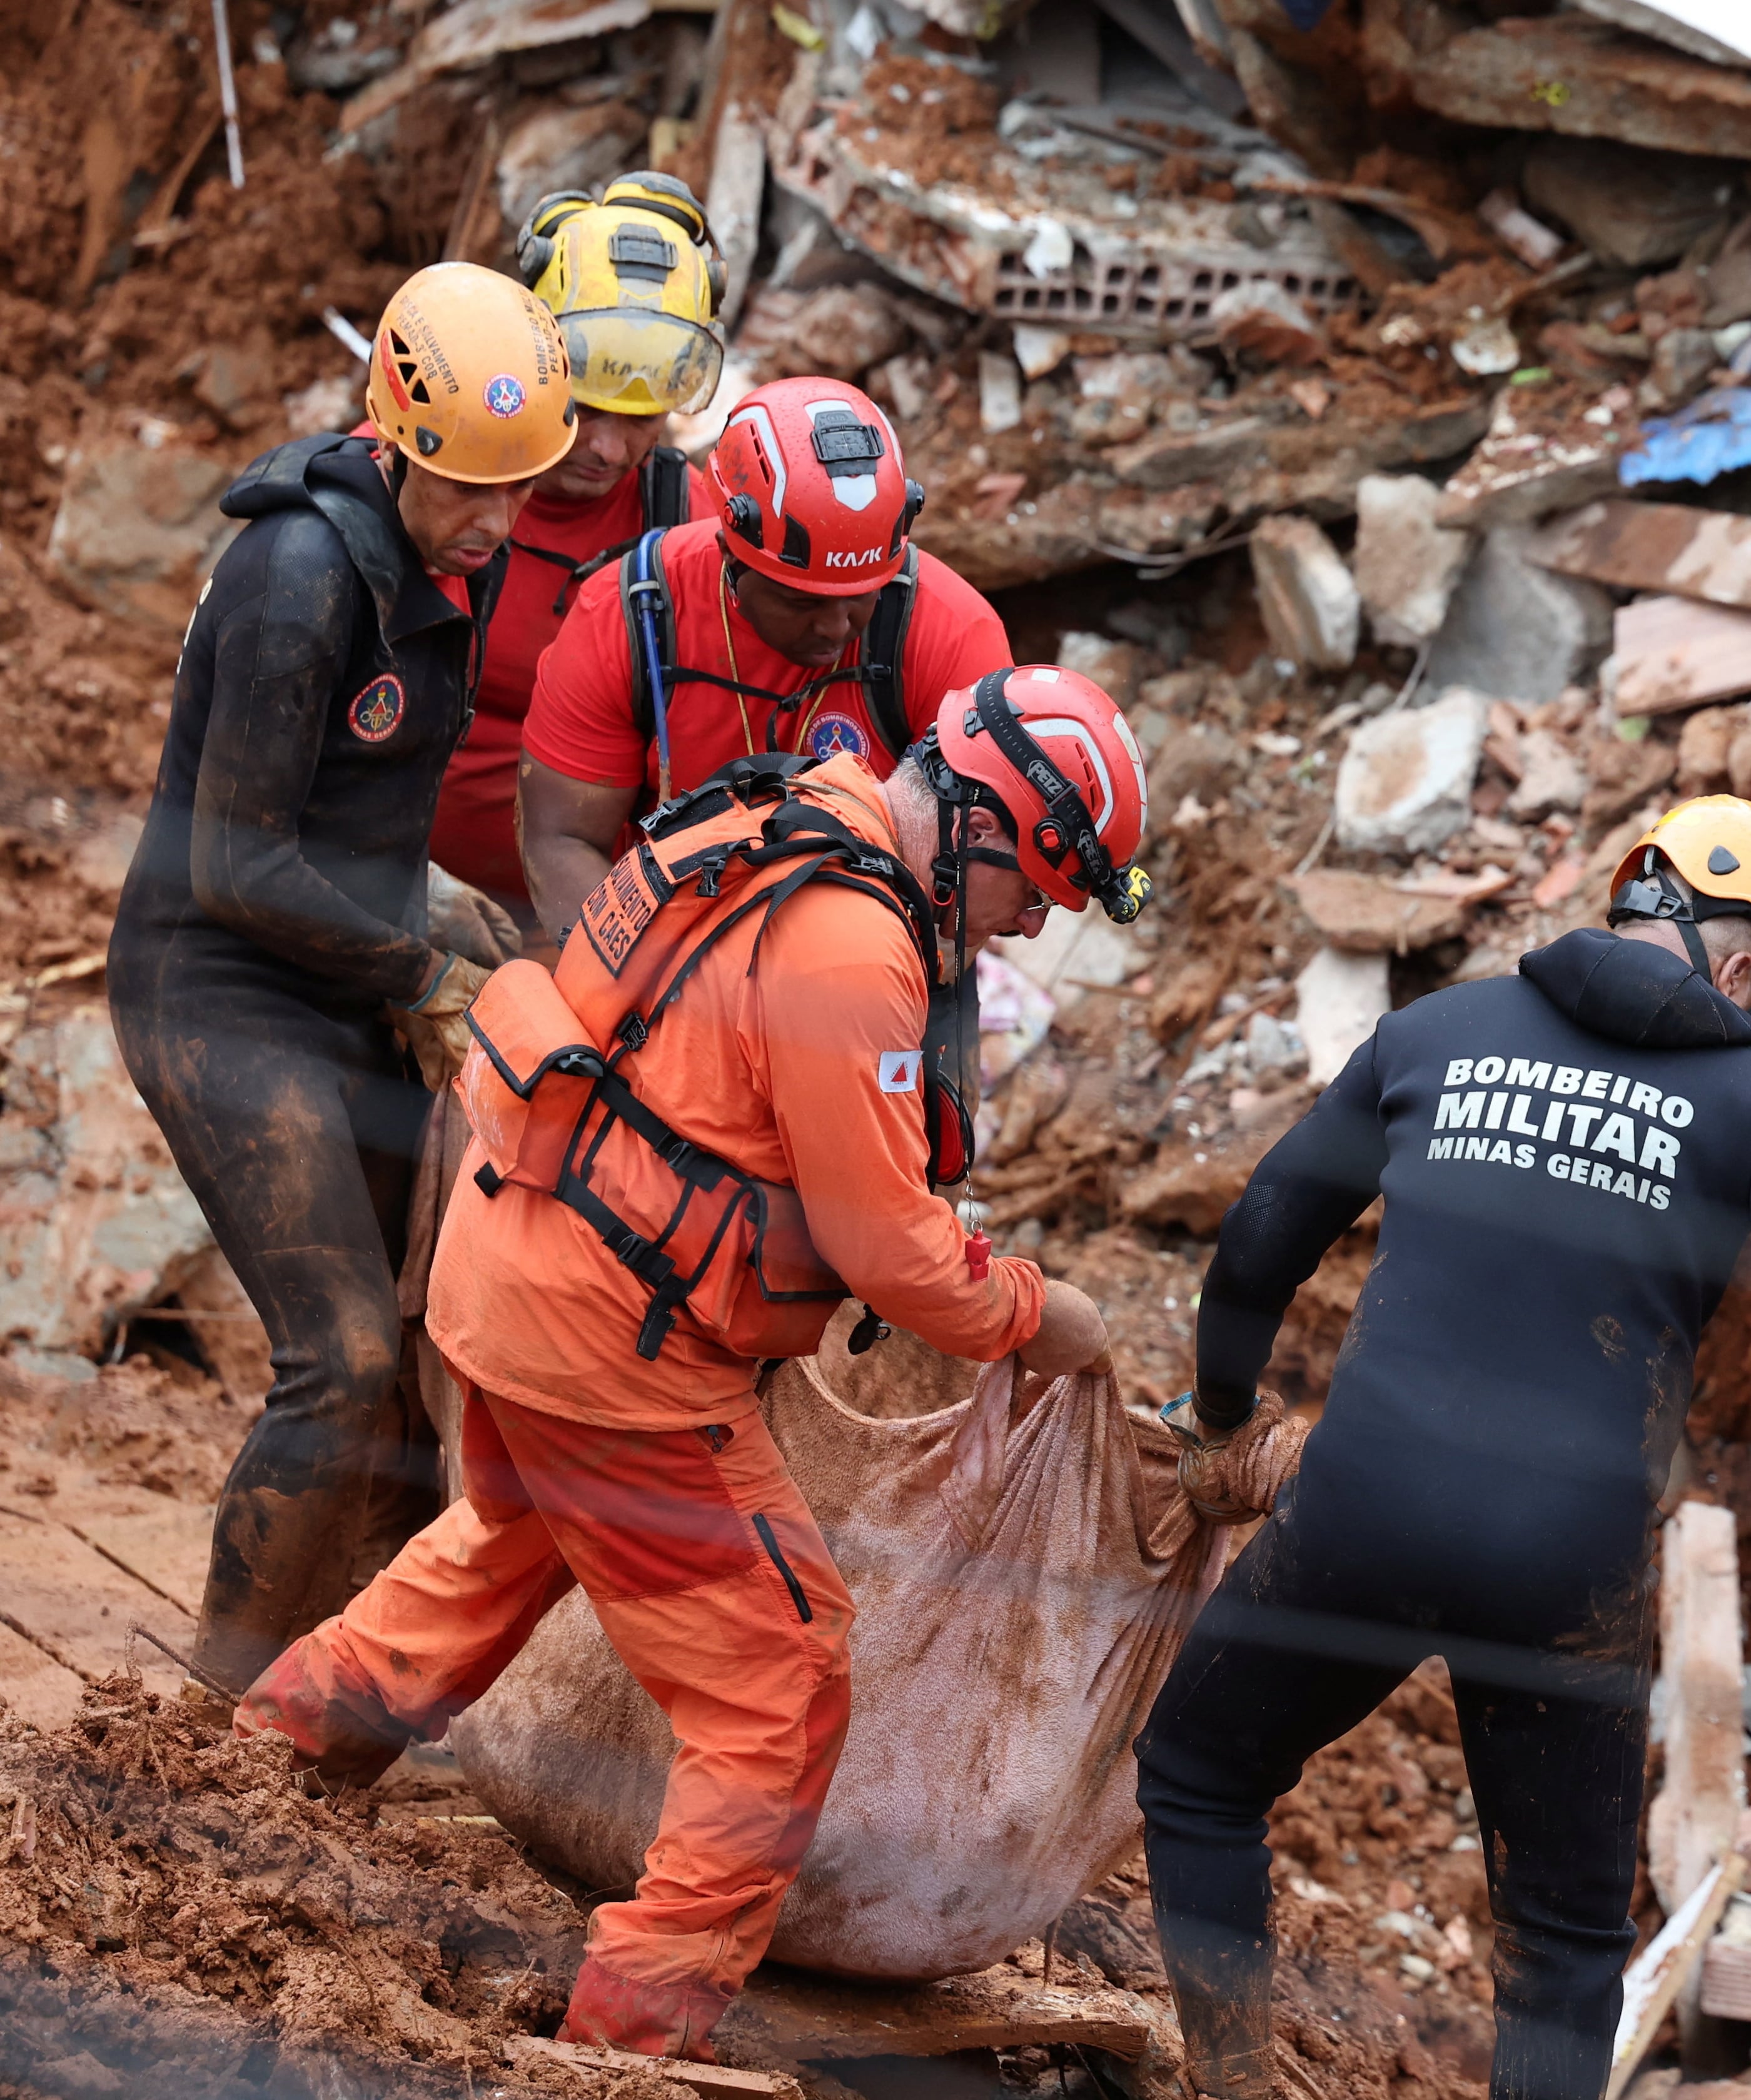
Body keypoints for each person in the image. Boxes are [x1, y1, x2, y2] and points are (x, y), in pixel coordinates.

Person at [235, 665, 1151, 2060]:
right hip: (616, 1342)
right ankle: (625, 2038)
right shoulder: (857, 945)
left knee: (509, 1533)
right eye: (1031, 888)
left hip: (509, 1269)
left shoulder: (759, 815)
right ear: (975, 821)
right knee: (781, 1677)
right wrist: (1037, 1309)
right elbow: (896, 1257)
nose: (1028, 925)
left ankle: (262, 1764)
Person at [1133, 795, 1751, 2100]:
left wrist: (1220, 1416)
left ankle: (1224, 2084)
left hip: (1362, 1508)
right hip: (1565, 1570)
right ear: (1741, 965)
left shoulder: (1438, 1027)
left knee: (1197, 1772)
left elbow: (1263, 1233)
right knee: (1562, 1943)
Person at [108, 263, 577, 1696]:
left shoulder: (455, 547)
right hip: (222, 982)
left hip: (351, 971)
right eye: (467, 490)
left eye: (521, 491)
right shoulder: (299, 572)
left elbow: (368, 806)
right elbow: (239, 860)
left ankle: (343, 1703)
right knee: (343, 1351)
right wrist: (422, 967)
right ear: (397, 441)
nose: (498, 525)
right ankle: (207, 1708)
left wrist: (441, 927)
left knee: (408, 1361)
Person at [515, 372, 1010, 940]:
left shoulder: (953, 636)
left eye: (862, 596)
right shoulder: (628, 618)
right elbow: (562, 841)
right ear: (730, 552)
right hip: (660, 946)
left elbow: (978, 879)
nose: (835, 627)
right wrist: (674, 989)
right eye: (801, 600)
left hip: (871, 956)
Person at [425, 172, 727, 923]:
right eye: (584, 405)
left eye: (642, 417)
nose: (606, 446)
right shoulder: (424, 475)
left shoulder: (685, 525)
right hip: (382, 901)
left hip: (580, 931)